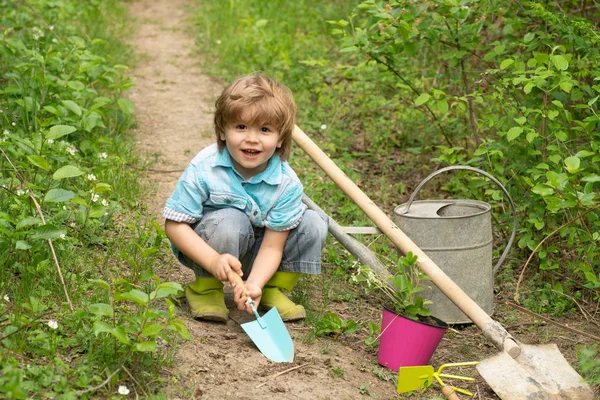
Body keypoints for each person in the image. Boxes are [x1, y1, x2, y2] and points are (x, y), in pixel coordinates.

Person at [163, 73, 329, 323]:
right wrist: (213, 259)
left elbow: (273, 245)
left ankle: (271, 288)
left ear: (281, 138)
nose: (252, 138)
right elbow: (174, 225)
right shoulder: (205, 168)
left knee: (314, 223)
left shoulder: (286, 183)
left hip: (261, 255)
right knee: (231, 220)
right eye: (241, 127)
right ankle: (206, 288)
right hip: (211, 248)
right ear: (222, 131)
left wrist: (255, 283)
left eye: (264, 130)